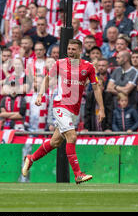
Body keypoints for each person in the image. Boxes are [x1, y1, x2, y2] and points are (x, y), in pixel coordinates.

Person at [21, 39, 105, 184]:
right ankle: (78, 174)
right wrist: (40, 94)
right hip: (60, 105)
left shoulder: (88, 67)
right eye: (69, 49)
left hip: (73, 110)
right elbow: (47, 78)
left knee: (55, 142)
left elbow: (96, 88)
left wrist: (102, 108)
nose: (70, 52)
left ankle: (31, 158)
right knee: (72, 137)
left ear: (80, 51)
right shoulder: (60, 63)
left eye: (74, 49)